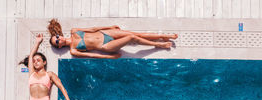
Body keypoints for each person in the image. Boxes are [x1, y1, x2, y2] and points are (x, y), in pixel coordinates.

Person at [47, 19, 178, 59]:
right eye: (57, 42)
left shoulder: (74, 31)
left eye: (57, 37)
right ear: (59, 46)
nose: (59, 39)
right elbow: (92, 55)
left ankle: (163, 36)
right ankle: (159, 45)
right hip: (105, 47)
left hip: (105, 33)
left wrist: (109, 26)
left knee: (137, 33)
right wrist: (110, 57)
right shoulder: (73, 51)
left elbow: (93, 28)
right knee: (132, 38)